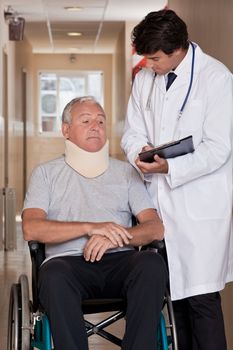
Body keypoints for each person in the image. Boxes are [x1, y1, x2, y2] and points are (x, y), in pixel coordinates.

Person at [121, 9, 233, 350]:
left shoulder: (216, 78)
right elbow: (131, 132)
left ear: (177, 49)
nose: (150, 65)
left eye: (154, 58)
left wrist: (171, 168)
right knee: (172, 301)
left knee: (201, 300)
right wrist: (140, 153)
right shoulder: (145, 79)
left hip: (198, 206)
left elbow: (219, 149)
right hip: (157, 205)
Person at [22, 96, 168, 350]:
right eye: (86, 120)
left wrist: (115, 235)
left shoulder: (126, 172)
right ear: (66, 130)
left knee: (152, 263)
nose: (96, 126)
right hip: (67, 265)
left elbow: (155, 227)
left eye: (101, 121)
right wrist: (91, 227)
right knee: (53, 275)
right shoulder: (45, 173)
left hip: (119, 262)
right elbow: (31, 228)